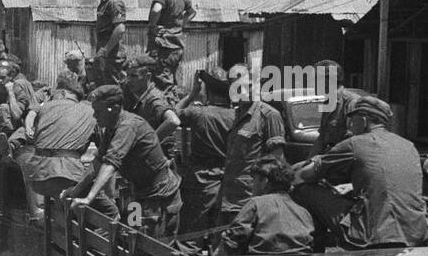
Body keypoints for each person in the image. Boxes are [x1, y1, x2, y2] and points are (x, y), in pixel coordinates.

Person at [292, 96, 428, 249]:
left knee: (303, 189)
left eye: (353, 121)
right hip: (414, 233)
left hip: (372, 234)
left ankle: (315, 251)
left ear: (364, 121)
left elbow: (305, 176)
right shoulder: (409, 146)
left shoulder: (354, 144)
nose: (350, 127)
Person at [69, 85, 183, 238]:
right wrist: (75, 191)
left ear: (114, 109)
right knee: (132, 237)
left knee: (151, 249)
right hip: (138, 194)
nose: (95, 116)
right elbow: (98, 161)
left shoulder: (127, 126)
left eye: (99, 111)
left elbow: (110, 164)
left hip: (159, 197)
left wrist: (89, 198)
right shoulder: (111, 128)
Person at [17, 83, 97, 219]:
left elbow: (31, 120)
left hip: (38, 175)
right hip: (67, 174)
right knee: (101, 199)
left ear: (63, 94)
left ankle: (52, 222)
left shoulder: (46, 106)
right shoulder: (91, 110)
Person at [175, 68, 236, 234]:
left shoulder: (198, 113)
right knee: (222, 230)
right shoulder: (237, 115)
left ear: (208, 91)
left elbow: (172, 116)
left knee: (191, 232)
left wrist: (192, 94)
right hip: (230, 179)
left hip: (201, 178)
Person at [216, 156, 315, 256]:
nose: (251, 185)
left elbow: (233, 240)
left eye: (254, 180)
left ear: (265, 181)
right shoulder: (303, 211)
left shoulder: (256, 203)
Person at [219, 80, 286, 222]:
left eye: (249, 85)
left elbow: (277, 160)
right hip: (229, 195)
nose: (243, 90)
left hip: (250, 197)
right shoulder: (235, 115)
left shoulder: (269, 115)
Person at [146, 0, 195, 90]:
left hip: (163, 47)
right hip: (176, 47)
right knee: (170, 81)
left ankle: (169, 109)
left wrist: (153, 26)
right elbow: (191, 12)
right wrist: (179, 27)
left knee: (161, 84)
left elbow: (157, 9)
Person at [90, 0, 127, 86]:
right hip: (106, 55)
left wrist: (106, 50)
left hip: (112, 56)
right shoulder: (105, 1)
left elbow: (120, 29)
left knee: (112, 91)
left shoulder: (114, 2)